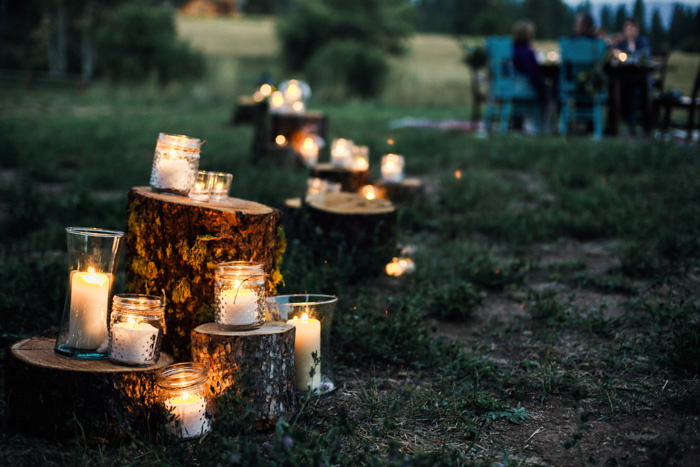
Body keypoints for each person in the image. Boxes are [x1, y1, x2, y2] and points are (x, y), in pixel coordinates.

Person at [511, 20, 553, 134]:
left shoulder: (510, 49)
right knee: (550, 94)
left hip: (511, 87)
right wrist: (542, 86)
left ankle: (517, 124)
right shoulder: (528, 52)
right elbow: (534, 73)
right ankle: (544, 128)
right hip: (525, 88)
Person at [613, 18, 651, 134]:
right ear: (625, 30)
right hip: (624, 77)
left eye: (633, 28)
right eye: (629, 28)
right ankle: (624, 120)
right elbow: (615, 55)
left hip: (641, 77)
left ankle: (642, 121)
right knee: (621, 86)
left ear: (637, 30)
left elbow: (645, 56)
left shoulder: (642, 42)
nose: (631, 31)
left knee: (640, 88)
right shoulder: (622, 43)